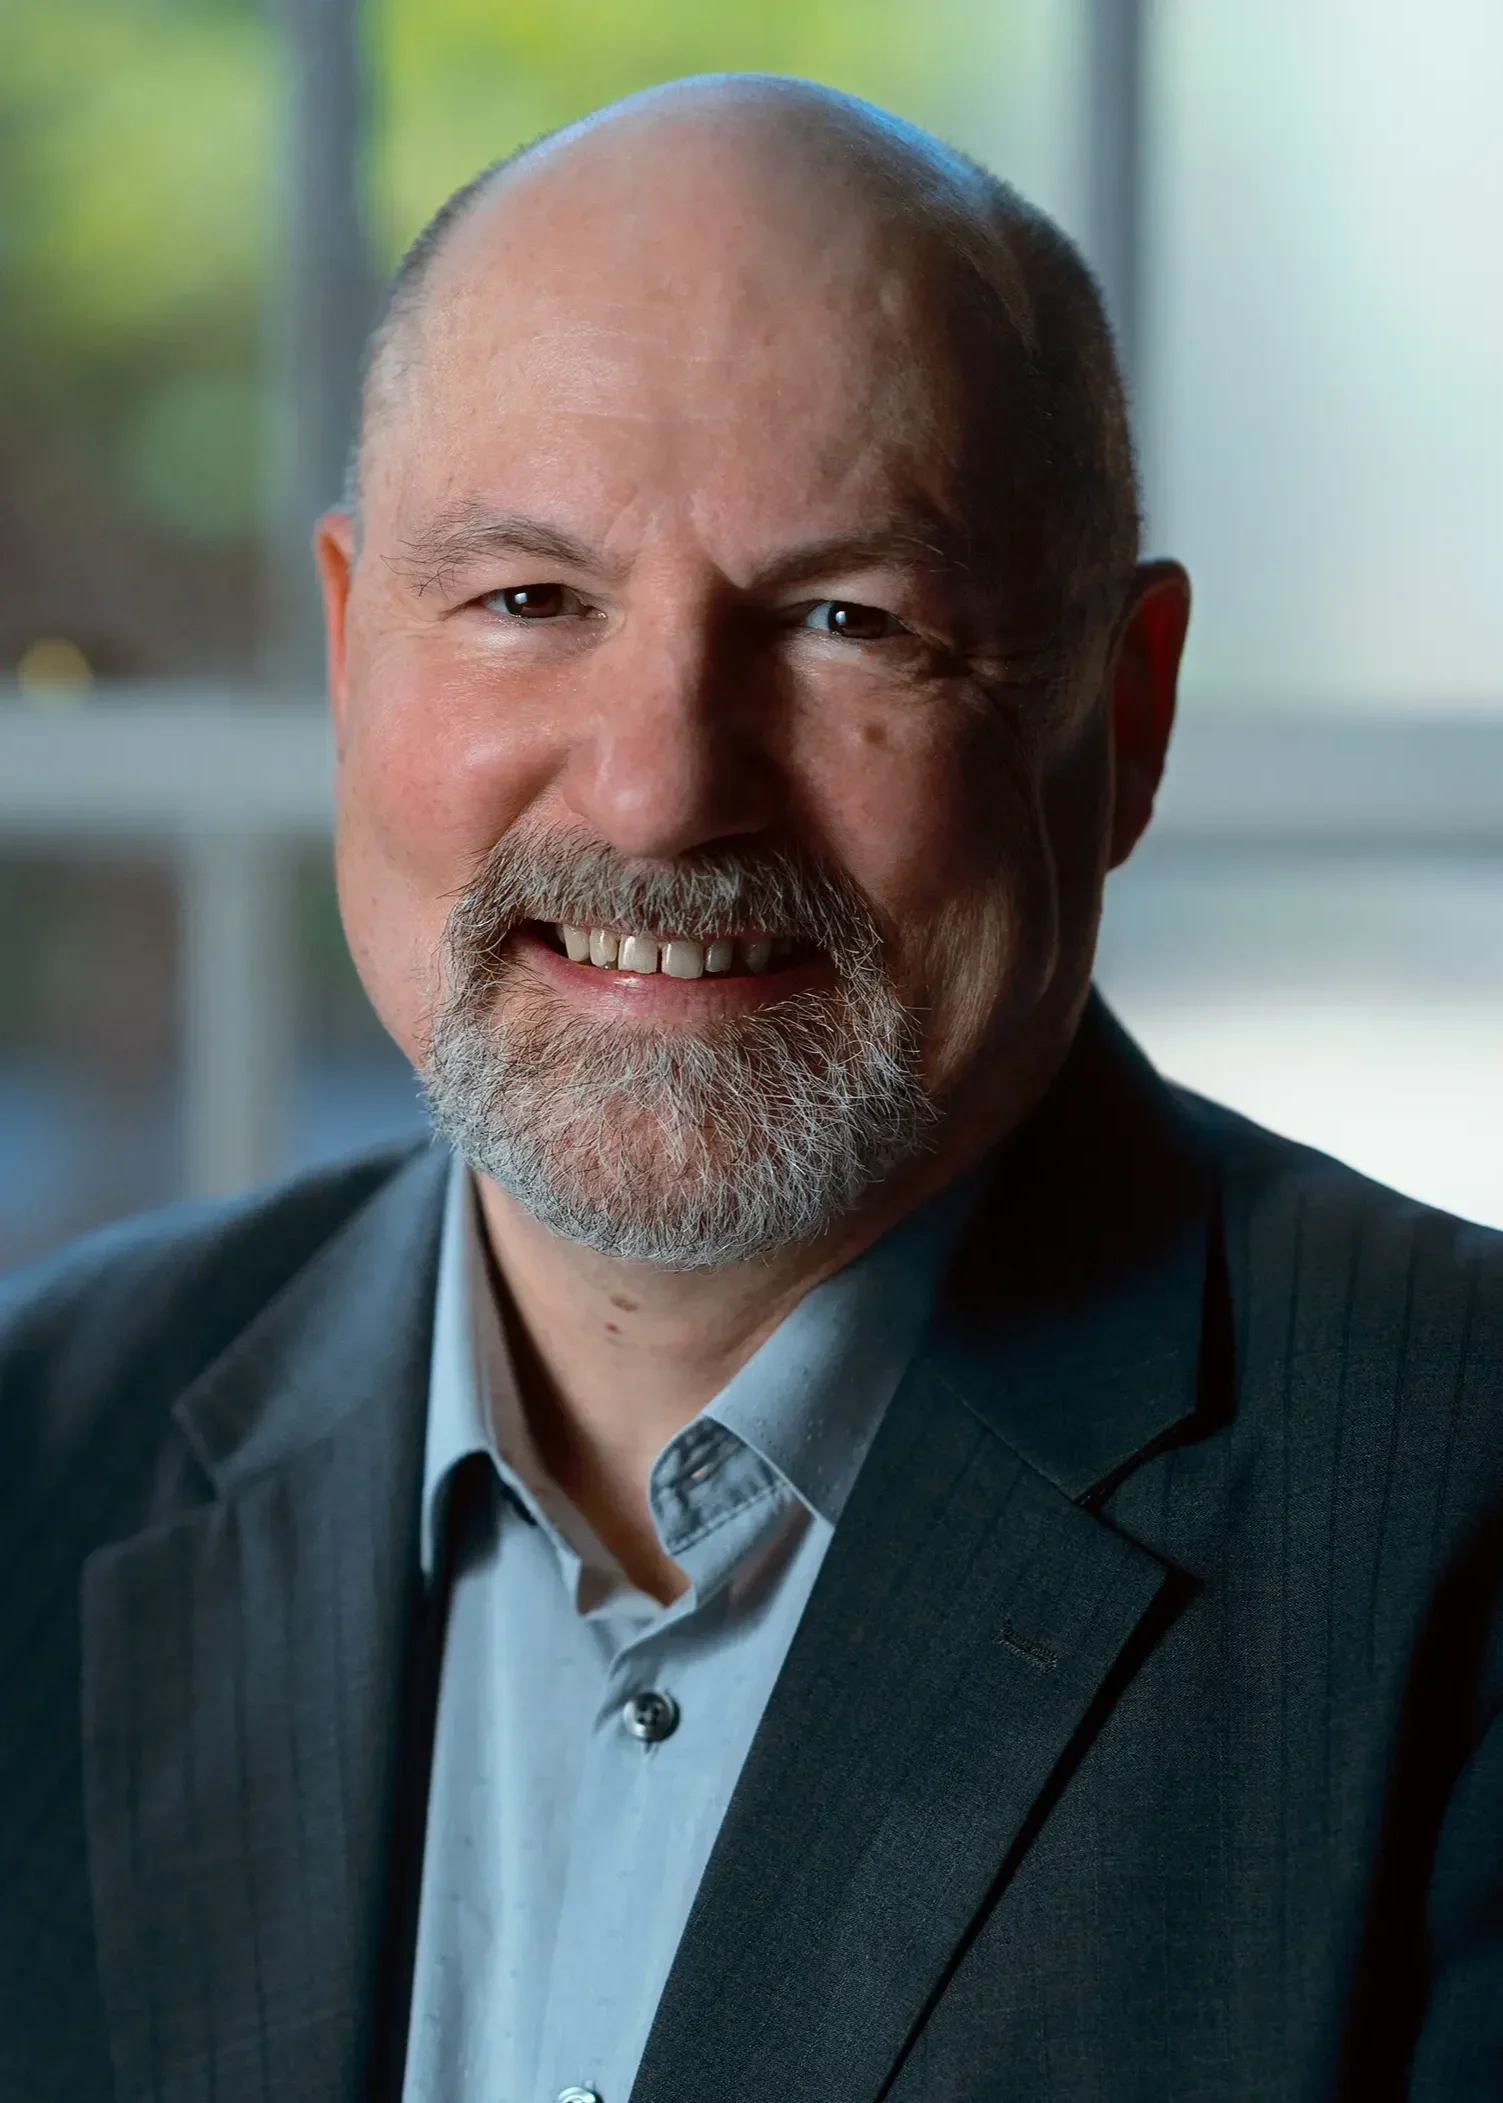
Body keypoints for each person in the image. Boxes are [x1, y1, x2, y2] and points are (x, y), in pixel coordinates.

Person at [2, 74, 1500, 2103]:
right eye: (529, 599)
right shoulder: (35, 1455)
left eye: (842, 621)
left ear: (1123, 717)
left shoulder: (1455, 1526)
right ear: (355, 650)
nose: (659, 785)